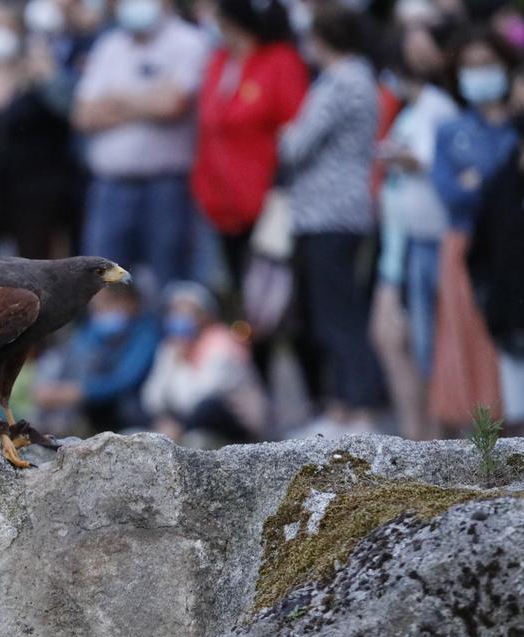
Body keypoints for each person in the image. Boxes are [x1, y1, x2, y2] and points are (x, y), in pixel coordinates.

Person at [277, 3, 383, 436]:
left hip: (331, 211)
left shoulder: (343, 81)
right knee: (328, 311)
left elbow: (296, 145)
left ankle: (359, 407)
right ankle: (342, 404)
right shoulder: (358, 77)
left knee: (338, 312)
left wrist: (285, 135)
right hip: (330, 210)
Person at [73, 0, 210, 295]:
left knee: (169, 277)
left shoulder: (189, 42)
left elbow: (172, 105)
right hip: (110, 185)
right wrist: (148, 100)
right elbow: (84, 114)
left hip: (166, 185)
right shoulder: (110, 44)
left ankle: (169, 341)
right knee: (101, 280)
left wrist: (116, 98)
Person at [428, 28, 518, 430]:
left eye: (488, 64)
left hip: (516, 245)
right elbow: (451, 195)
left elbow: (508, 190)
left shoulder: (521, 126)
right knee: (468, 340)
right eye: (471, 66)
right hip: (464, 245)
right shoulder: (451, 131)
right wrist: (491, 183)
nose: (479, 74)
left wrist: (479, 182)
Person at [468, 61, 524, 452]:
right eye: (521, 105)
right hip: (511, 325)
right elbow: (481, 249)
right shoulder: (502, 177)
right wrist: (489, 300)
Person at [0, 6, 82, 261]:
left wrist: (45, 75)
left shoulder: (38, 75)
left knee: (34, 263)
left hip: (34, 192)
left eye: (6, 27)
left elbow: (67, 118)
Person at [370, 45, 458, 439]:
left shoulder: (436, 108)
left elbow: (426, 160)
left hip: (429, 239)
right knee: (409, 344)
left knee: (432, 346)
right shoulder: (410, 111)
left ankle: (435, 436)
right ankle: (419, 434)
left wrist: (394, 155)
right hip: (404, 241)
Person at [191, 0, 307, 288]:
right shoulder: (218, 62)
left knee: (267, 292)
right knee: (232, 284)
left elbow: (295, 130)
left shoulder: (281, 61)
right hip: (218, 198)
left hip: (264, 199)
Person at [141, 281, 267, 445]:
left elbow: (200, 397)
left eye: (187, 311)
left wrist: (181, 364)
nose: (180, 317)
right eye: (175, 311)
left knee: (208, 407)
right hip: (187, 416)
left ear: (205, 315)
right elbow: (152, 398)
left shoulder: (221, 342)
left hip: (233, 421)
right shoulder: (171, 347)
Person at [33, 283, 160, 434]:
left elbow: (124, 379)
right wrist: (56, 389)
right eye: (96, 307)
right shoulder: (92, 330)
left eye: (106, 305)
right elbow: (74, 356)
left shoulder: (146, 333)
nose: (99, 313)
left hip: (129, 413)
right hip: (88, 411)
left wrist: (81, 392)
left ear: (129, 302)